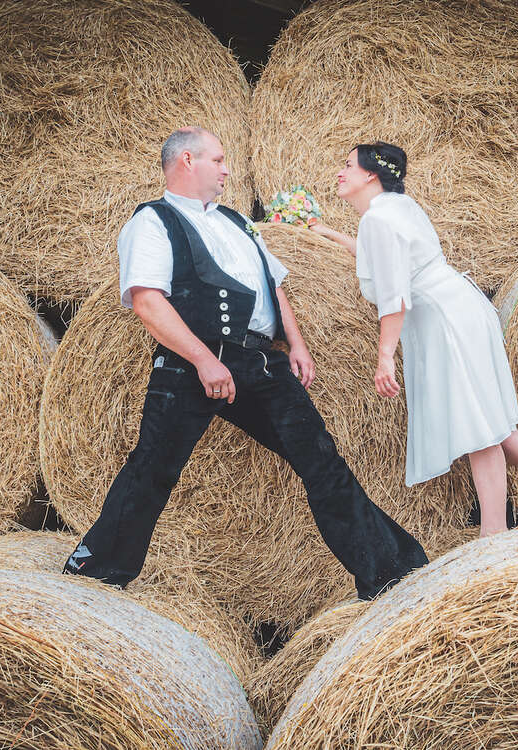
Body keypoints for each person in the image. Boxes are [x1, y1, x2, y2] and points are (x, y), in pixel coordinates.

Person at [63, 128, 429, 597]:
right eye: (218, 160)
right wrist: (202, 360)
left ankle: (389, 570)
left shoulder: (237, 221)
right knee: (154, 466)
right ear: (187, 161)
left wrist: (296, 344)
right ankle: (97, 569)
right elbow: (147, 301)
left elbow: (273, 284)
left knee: (321, 460)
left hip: (260, 361)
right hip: (194, 361)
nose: (227, 169)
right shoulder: (152, 221)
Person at [311, 141, 518, 537]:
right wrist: (325, 234)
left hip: (446, 322)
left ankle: (493, 535)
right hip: (457, 310)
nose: (339, 172)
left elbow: (395, 294)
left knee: (477, 428)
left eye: (347, 165)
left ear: (370, 174)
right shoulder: (397, 209)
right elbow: (378, 259)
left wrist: (385, 357)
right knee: (485, 422)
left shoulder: (379, 220)